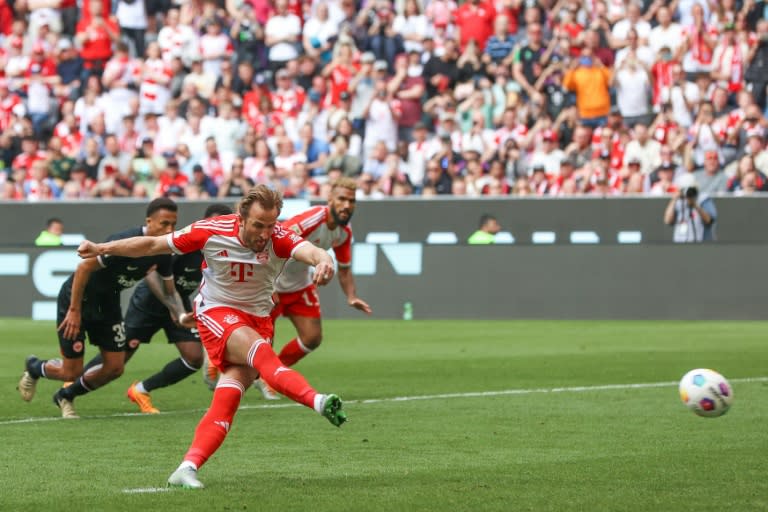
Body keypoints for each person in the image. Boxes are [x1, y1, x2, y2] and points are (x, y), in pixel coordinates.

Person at [75, 185, 347, 489]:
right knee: (261, 354)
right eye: (258, 225)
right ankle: (319, 401)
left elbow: (311, 251)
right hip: (217, 313)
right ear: (241, 218)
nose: (264, 233)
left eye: (271, 225)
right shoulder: (212, 230)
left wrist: (324, 261)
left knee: (228, 398)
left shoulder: (279, 237)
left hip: (258, 320)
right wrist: (102, 248)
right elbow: (152, 244)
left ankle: (187, 467)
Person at [17, 198, 179, 418]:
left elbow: (169, 288)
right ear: (149, 221)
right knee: (71, 371)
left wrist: (178, 311)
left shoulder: (163, 251)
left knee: (115, 367)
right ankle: (35, 367)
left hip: (108, 304)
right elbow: (84, 268)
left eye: (173, 224)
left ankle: (66, 395)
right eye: (164, 223)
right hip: (79, 299)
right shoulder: (123, 242)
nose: (169, 230)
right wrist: (74, 310)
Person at [80, 204, 234, 414]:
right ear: (206, 222)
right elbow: (151, 273)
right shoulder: (186, 243)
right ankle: (74, 381)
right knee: (119, 356)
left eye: (227, 224)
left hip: (179, 305)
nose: (222, 229)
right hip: (148, 304)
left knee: (193, 358)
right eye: (217, 224)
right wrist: (173, 306)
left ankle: (141, 390)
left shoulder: (223, 253)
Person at [254, 177, 371, 398]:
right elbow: (272, 241)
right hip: (272, 285)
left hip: (300, 286)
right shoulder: (312, 219)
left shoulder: (344, 231)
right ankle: (222, 368)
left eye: (352, 201)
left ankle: (271, 375)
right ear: (330, 199)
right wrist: (268, 285)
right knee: (261, 342)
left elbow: (344, 268)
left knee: (312, 338)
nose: (347, 205)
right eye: (342, 199)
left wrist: (351, 296)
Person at [663, 175, 716, 243]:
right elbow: (667, 221)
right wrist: (674, 199)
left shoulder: (703, 199)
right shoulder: (678, 201)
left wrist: (695, 205)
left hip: (700, 243)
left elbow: (709, 221)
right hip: (680, 242)